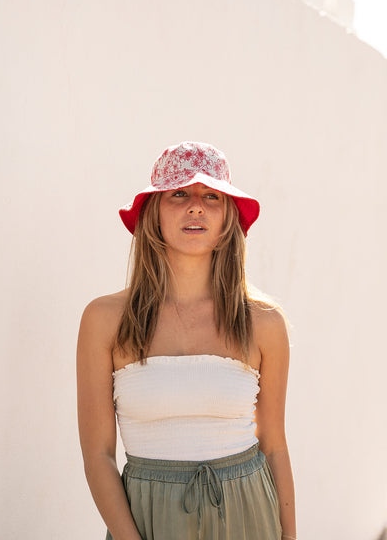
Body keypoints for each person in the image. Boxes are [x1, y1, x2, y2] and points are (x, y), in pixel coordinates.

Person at [76, 141, 297, 540]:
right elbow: (98, 456)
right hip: (147, 519)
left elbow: (275, 447)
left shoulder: (264, 323)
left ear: (229, 217)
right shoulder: (105, 320)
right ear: (153, 212)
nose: (196, 206)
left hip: (250, 515)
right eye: (179, 193)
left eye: (211, 196)